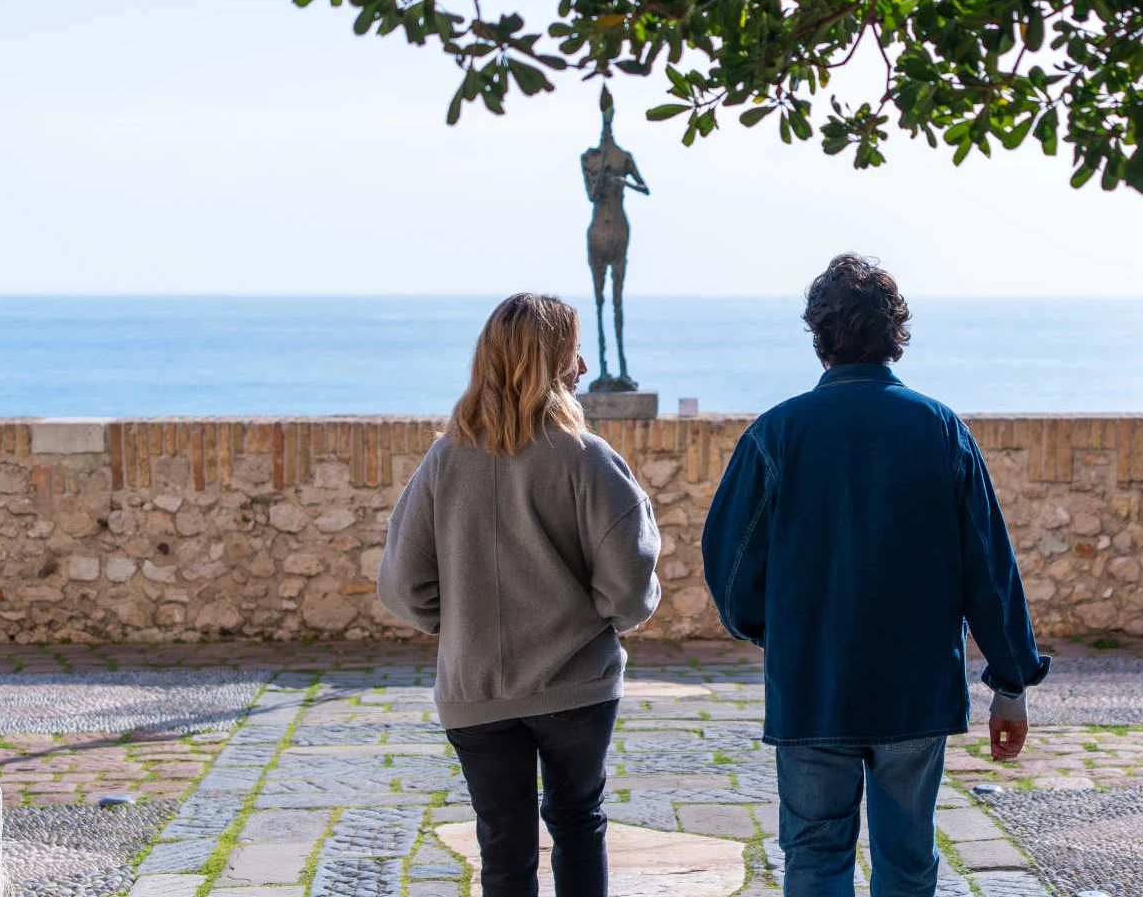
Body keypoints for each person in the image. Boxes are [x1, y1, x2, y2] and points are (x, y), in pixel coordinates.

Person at [701, 255, 1050, 897]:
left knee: (814, 857)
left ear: (820, 336)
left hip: (812, 686)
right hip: (915, 691)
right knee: (908, 863)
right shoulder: (940, 430)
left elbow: (728, 565)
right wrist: (1011, 683)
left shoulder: (775, 434)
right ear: (895, 335)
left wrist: (775, 632)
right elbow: (990, 569)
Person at [378, 293, 661, 897]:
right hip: (576, 684)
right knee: (578, 822)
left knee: (502, 847)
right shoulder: (587, 459)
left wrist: (461, 624)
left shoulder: (444, 459)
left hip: (474, 686)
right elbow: (631, 586)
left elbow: (403, 585)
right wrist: (598, 616)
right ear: (547, 361)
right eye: (573, 352)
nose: (583, 368)